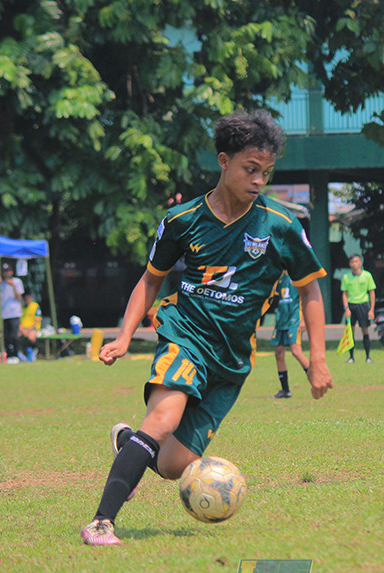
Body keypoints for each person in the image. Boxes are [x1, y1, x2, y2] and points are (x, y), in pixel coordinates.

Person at [81, 110, 333, 546]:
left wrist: (318, 360)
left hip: (232, 359)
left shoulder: (281, 225)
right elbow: (150, 280)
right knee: (162, 418)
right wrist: (124, 336)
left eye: (266, 173)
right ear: (223, 161)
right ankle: (102, 522)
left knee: (175, 464)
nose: (258, 180)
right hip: (185, 334)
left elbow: (311, 292)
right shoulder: (182, 220)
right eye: (249, 169)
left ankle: (128, 443)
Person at [270, 271, 309, 399]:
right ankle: (285, 390)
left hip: (294, 320)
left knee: (296, 352)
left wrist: (303, 319)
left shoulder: (297, 276)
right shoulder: (280, 278)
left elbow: (305, 297)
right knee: (279, 353)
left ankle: (316, 381)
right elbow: (275, 299)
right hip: (281, 319)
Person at [340, 253, 376, 363]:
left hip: (363, 305)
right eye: (352, 262)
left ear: (360, 263)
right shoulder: (346, 277)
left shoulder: (367, 276)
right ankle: (351, 357)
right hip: (351, 306)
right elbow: (344, 294)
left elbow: (372, 293)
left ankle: (368, 357)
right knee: (351, 332)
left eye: (356, 262)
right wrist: (346, 308)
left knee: (365, 330)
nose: (354, 264)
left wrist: (371, 309)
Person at [0, 262, 24, 363]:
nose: (6, 273)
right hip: (4, 314)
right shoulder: (0, 284)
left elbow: (19, 297)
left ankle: (16, 354)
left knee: (15, 336)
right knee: (6, 337)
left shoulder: (17, 282)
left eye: (7, 271)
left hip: (15, 313)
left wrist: (13, 286)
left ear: (11, 272)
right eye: (4, 271)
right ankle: (9, 355)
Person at [19, 292, 42, 361]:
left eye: (28, 299)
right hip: (23, 329)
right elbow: (19, 321)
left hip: (33, 328)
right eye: (25, 299)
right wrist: (22, 330)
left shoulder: (35, 306)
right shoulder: (21, 307)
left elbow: (36, 321)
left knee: (31, 336)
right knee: (15, 335)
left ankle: (34, 352)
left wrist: (27, 330)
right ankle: (20, 354)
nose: (27, 300)